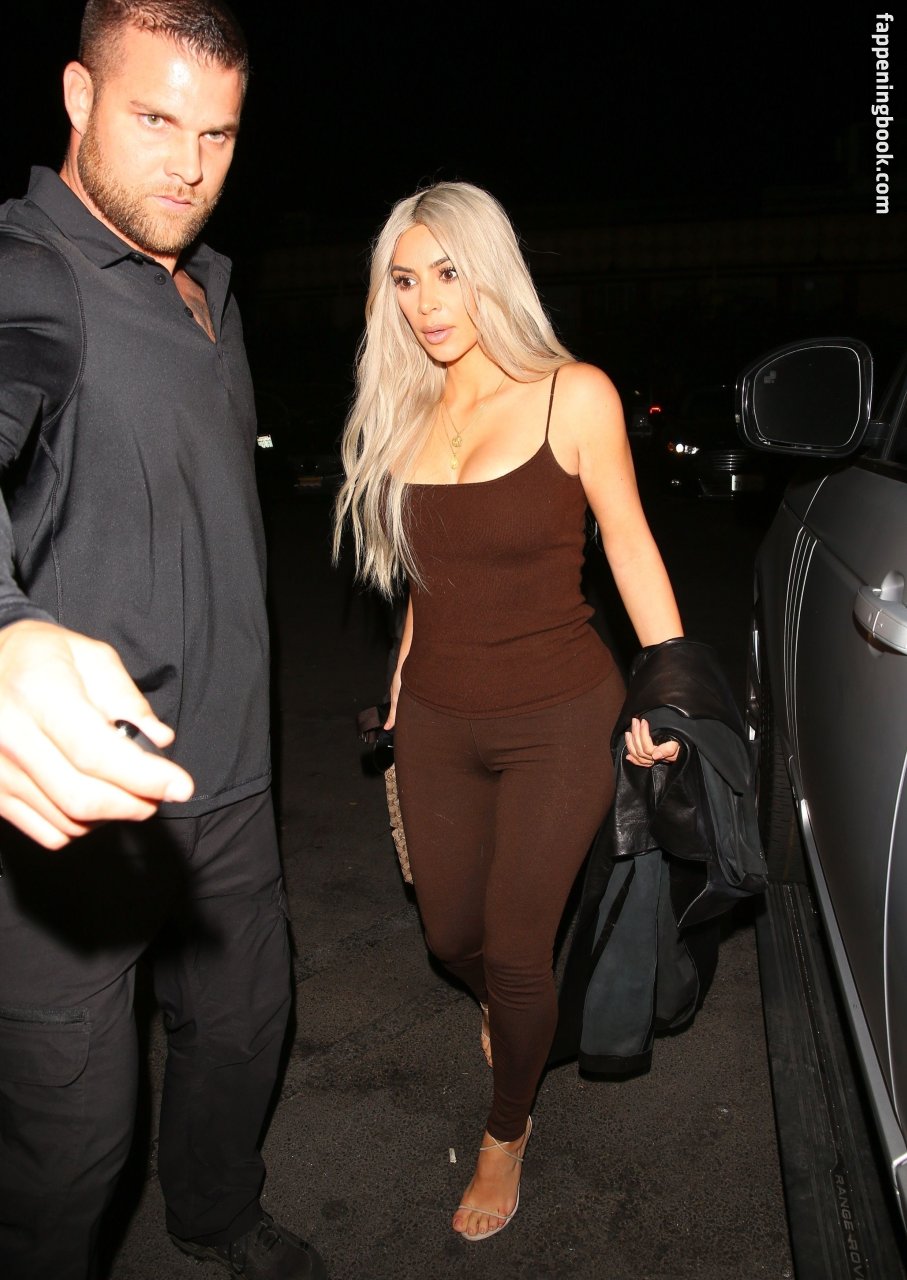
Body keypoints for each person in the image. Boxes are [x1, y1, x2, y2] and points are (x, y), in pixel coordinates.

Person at [0, 4, 326, 1278]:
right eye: (154, 118)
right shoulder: (33, 270)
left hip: (231, 780)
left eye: (219, 134)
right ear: (79, 97)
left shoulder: (214, 290)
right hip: (76, 801)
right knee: (73, 1144)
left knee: (243, 1031)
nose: (189, 165)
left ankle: (215, 1214)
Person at [333, 181, 683, 1242]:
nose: (427, 303)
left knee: (520, 950)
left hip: (559, 716)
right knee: (451, 934)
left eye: (448, 273)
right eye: (404, 281)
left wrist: (668, 688)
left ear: (492, 271)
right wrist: (404, 668)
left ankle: (504, 1129)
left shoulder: (572, 394)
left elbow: (629, 545)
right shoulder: (405, 405)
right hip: (438, 717)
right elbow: (425, 575)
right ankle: (509, 1007)